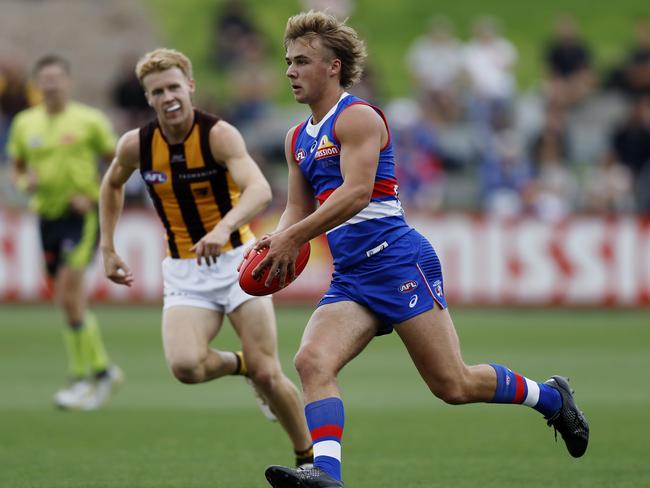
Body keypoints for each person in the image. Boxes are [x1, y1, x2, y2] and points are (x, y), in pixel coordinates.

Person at [254, 12, 590, 487]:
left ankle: (552, 398)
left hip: (396, 259)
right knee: (312, 360)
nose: (290, 70)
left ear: (333, 66)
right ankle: (326, 475)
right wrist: (275, 238)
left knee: (453, 385)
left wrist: (296, 235)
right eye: (288, 61)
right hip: (352, 275)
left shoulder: (358, 117)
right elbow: (295, 207)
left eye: (302, 61)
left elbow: (357, 193)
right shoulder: (296, 138)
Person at [98, 48, 314, 468]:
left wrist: (221, 227)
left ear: (190, 87)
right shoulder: (137, 145)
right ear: (148, 98)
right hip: (184, 269)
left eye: (174, 87)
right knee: (185, 367)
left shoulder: (218, 134)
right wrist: (107, 247)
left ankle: (308, 460)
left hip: (238, 262)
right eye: (157, 91)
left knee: (271, 374)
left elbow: (260, 190)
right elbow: (111, 185)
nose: (168, 97)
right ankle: (242, 365)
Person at [7, 55, 123, 410]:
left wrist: (91, 196)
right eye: (45, 78)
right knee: (65, 300)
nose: (52, 84)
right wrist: (26, 182)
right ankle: (101, 369)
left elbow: (117, 163)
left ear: (68, 82)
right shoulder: (25, 123)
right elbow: (17, 168)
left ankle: (86, 375)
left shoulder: (88, 121)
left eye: (58, 77)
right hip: (47, 217)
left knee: (71, 295)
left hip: (80, 217)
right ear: (37, 84)